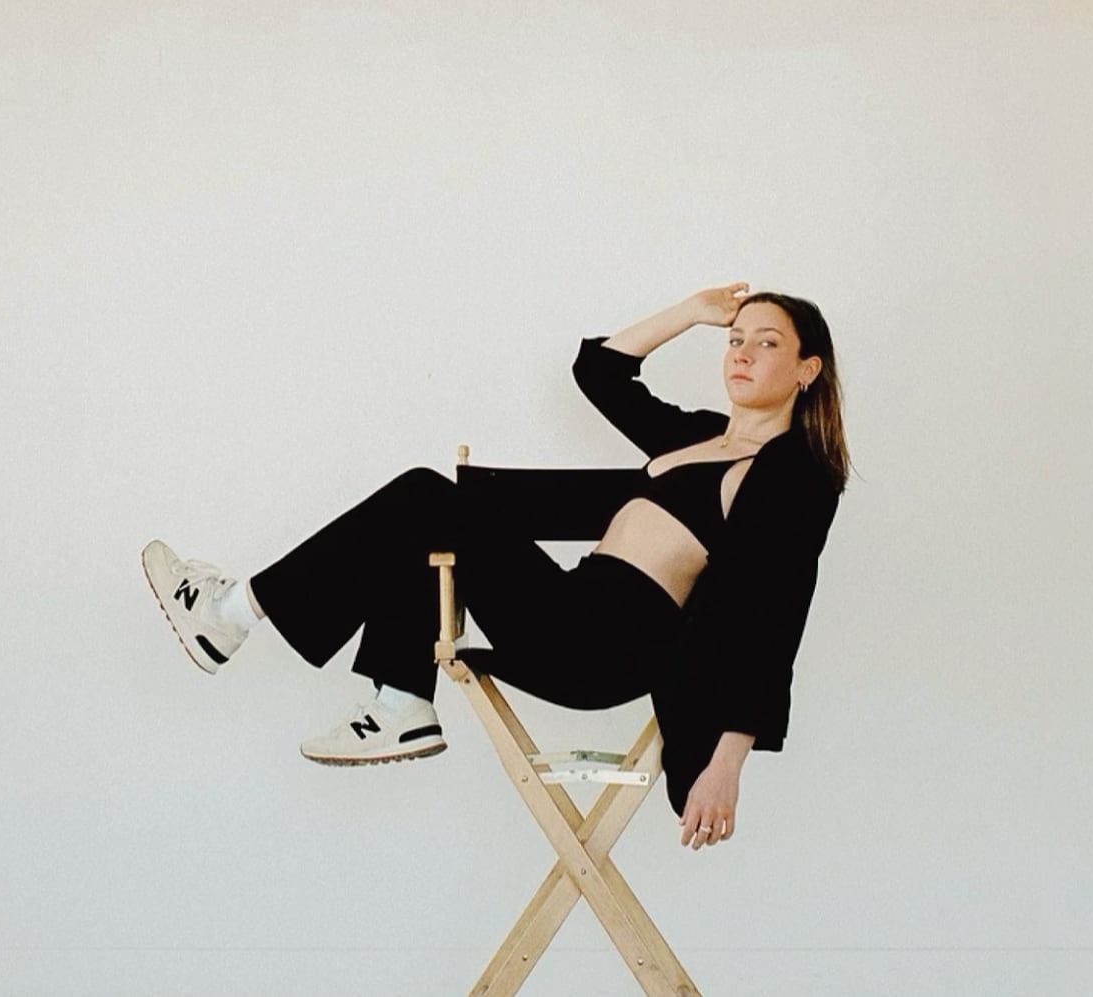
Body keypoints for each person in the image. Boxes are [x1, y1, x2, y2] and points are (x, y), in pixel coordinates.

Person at [141, 283, 848, 850]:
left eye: (767, 342)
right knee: (420, 519)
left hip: (613, 643)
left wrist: (727, 763)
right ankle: (400, 703)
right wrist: (691, 311)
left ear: (807, 369)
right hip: (580, 606)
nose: (742, 352)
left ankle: (232, 616)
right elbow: (599, 370)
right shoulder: (697, 436)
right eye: (734, 339)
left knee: (424, 496)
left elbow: (771, 613)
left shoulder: (793, 474)